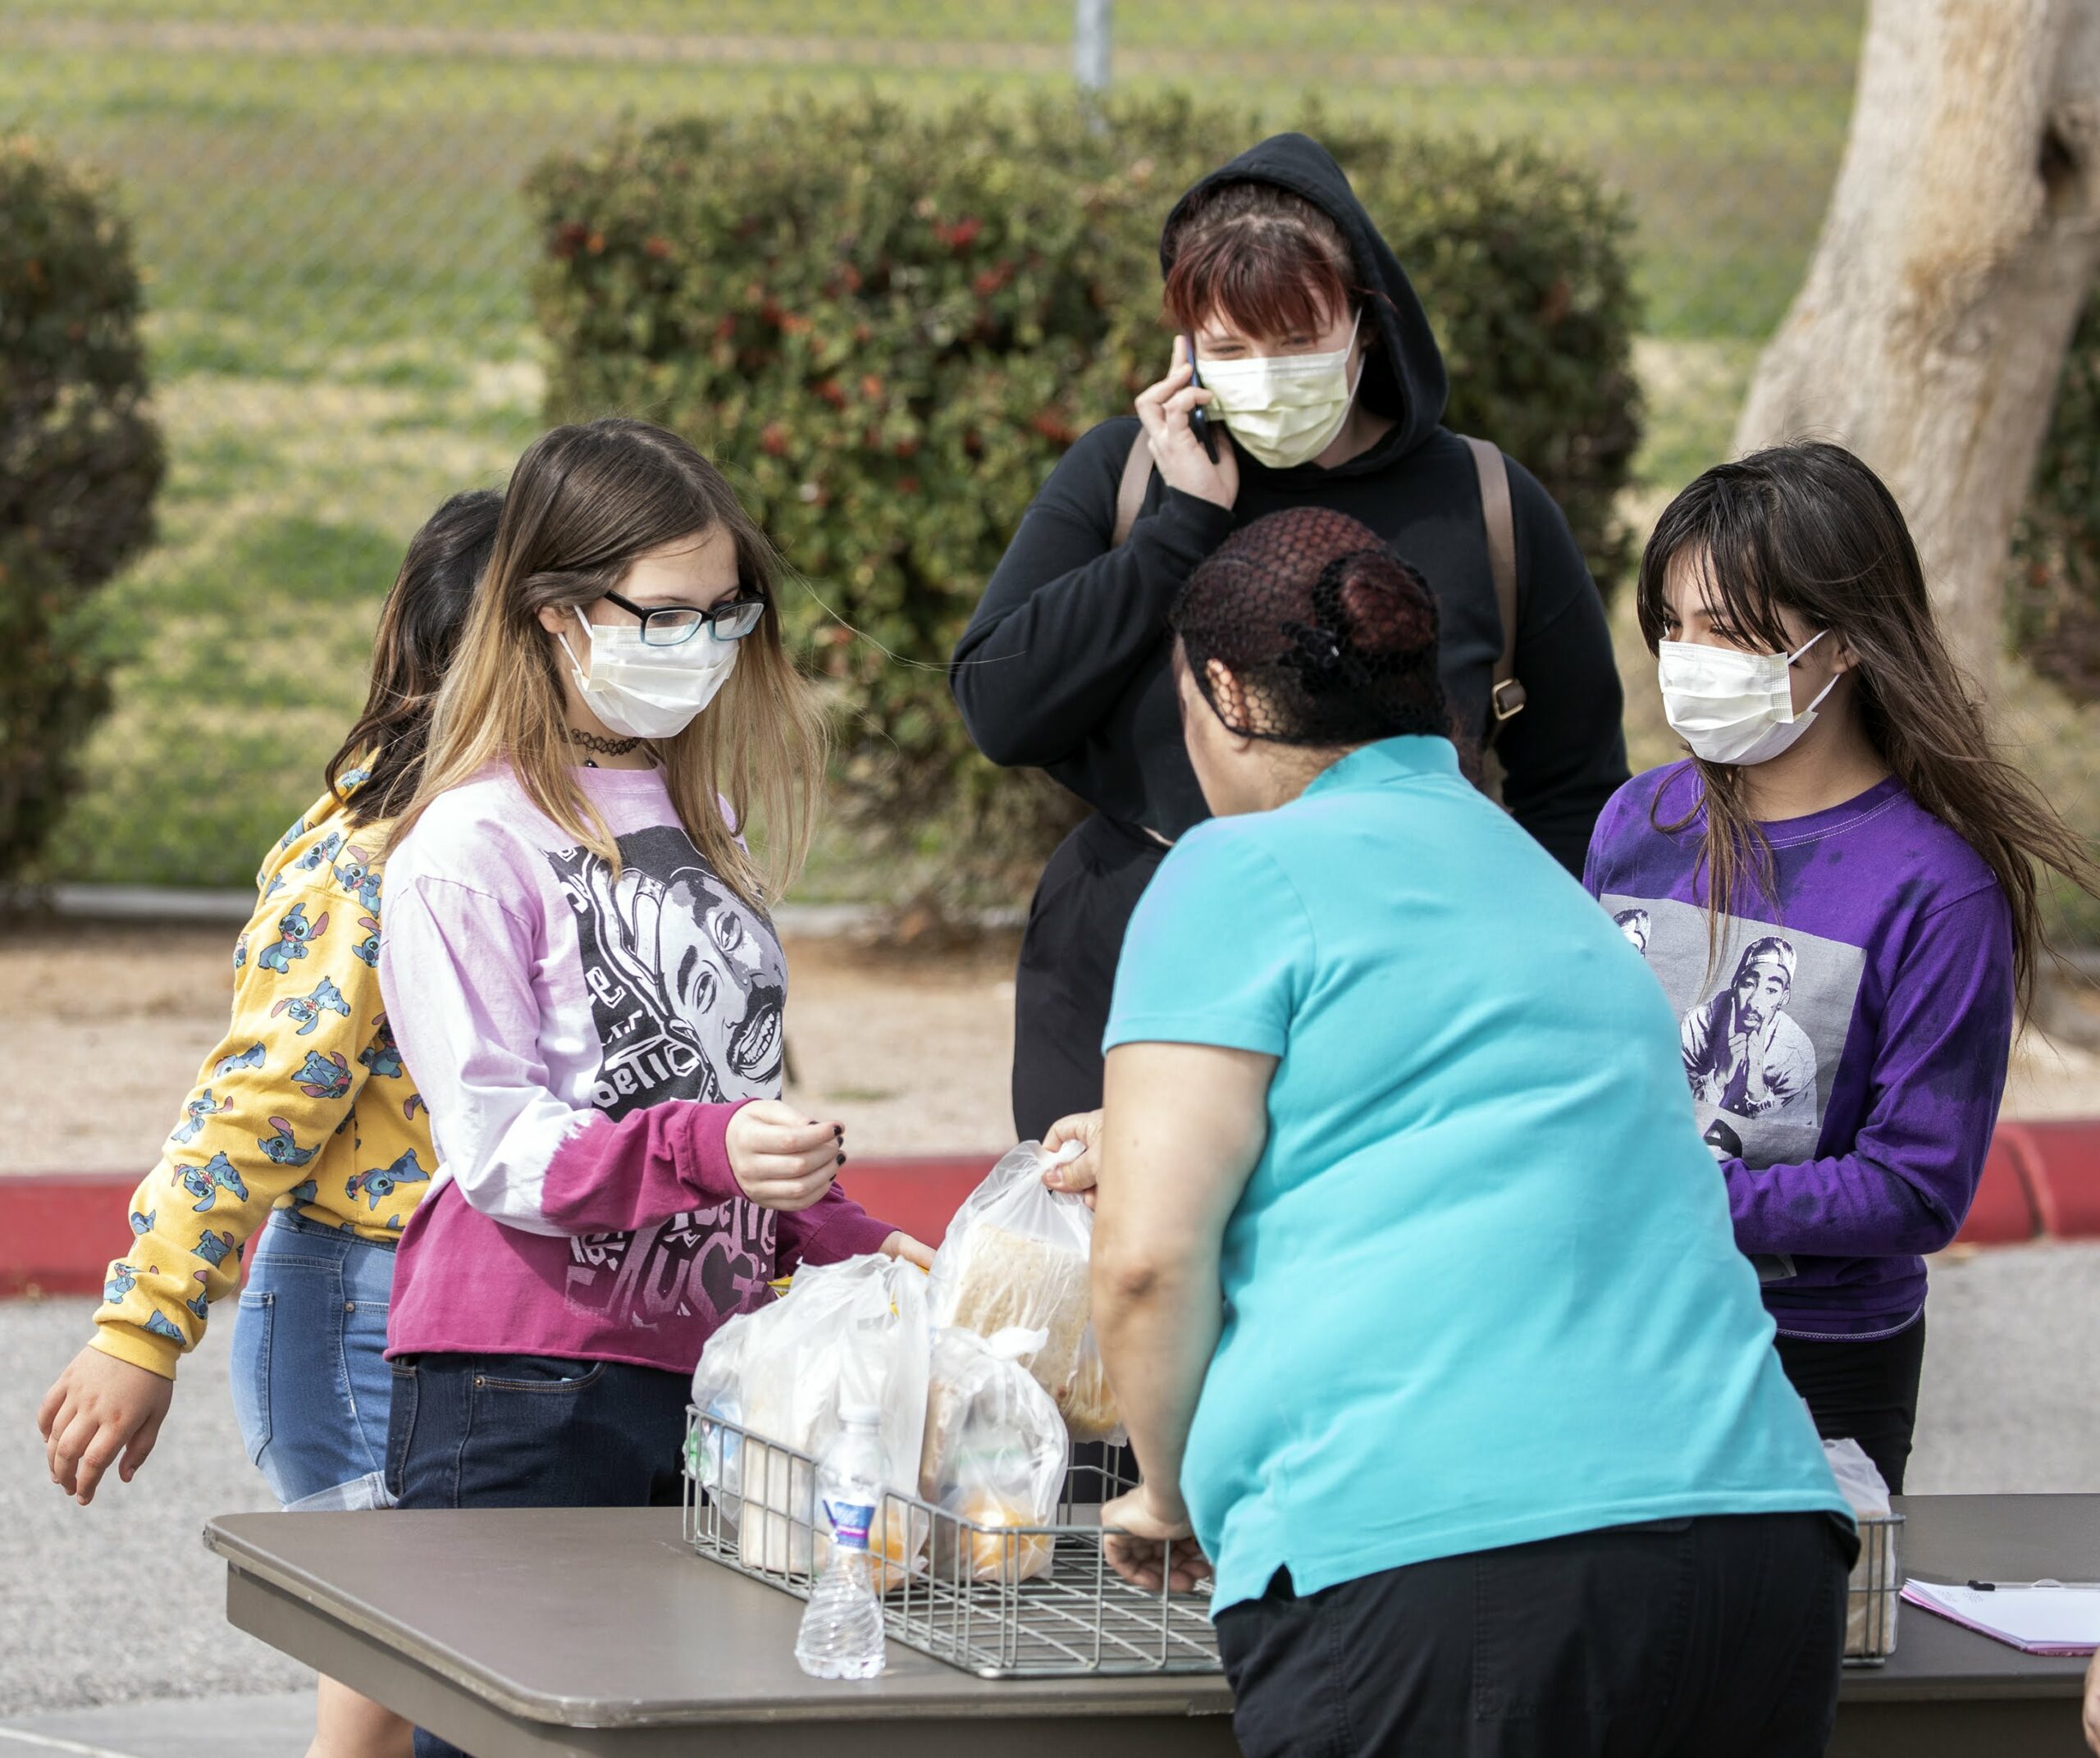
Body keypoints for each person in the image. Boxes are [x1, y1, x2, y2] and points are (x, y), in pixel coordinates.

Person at [1048, 506, 1854, 1756]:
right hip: (1753, 1535)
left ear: (1224, 693)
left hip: (1442, 1555)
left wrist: (1170, 1489)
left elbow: (1149, 1259)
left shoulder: (1232, 869)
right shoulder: (1546, 879)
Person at [372, 422, 930, 1749]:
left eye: (724, 613)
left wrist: (862, 1247)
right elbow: (503, 1143)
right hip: (520, 1379)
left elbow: (728, 1100)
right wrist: (712, 1143)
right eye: (663, 614)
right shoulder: (464, 842)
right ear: (557, 613)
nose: (701, 644)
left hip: (708, 1373)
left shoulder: (702, 819)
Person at [952, 132, 1628, 1140]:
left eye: (1298, 339)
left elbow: (1574, 779)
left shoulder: (1485, 502)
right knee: (1125, 1272)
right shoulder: (1129, 478)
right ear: (1183, 352)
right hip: (1133, 937)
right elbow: (1000, 708)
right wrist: (1177, 531)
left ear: (1365, 325)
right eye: (1228, 348)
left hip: (1401, 962)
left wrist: (1528, 971)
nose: (1265, 373)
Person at [35, 488, 504, 1758]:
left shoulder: (547, 843)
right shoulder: (378, 858)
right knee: (405, 1659)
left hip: (465, 1316)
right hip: (360, 1315)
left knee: (468, 1674)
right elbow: (255, 1103)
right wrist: (143, 1327)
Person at [1584, 441, 2100, 1494]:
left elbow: (1912, 1187)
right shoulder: (1639, 820)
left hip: (1811, 1361)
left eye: (1725, 631)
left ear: (1844, 643)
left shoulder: (1936, 889)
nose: (1685, 656)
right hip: (1609, 1319)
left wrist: (1678, 1198)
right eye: (1671, 625)